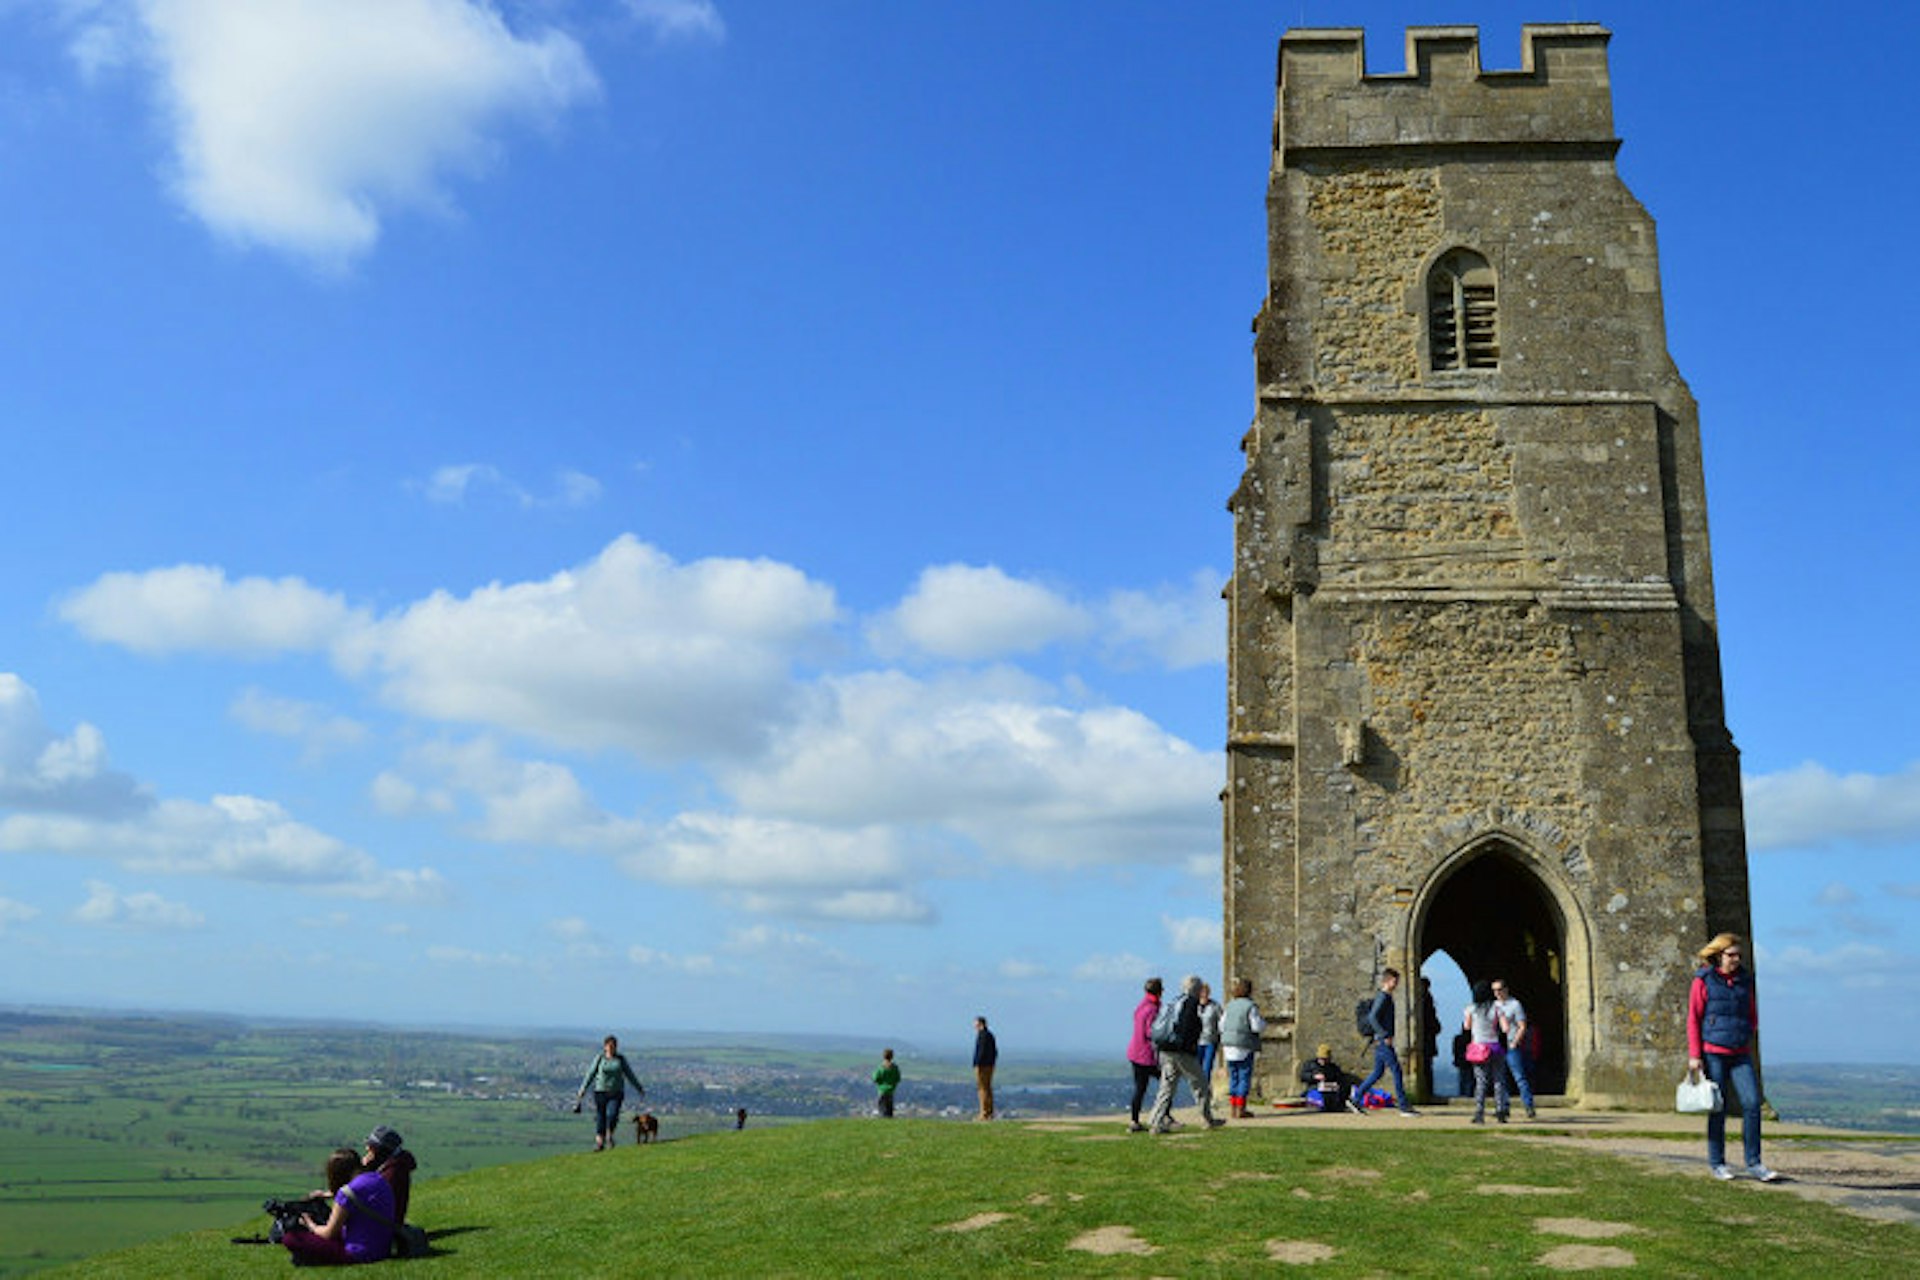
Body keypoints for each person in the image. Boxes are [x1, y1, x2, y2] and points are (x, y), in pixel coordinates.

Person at [1688, 932, 1779, 1182]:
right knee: (1718, 1108)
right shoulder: (1703, 980)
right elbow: (1694, 1019)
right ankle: (1717, 1163)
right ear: (1718, 956)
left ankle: (1754, 1162)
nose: (1736, 959)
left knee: (1751, 1104)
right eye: (1731, 955)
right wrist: (1695, 1055)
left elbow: (1751, 1012)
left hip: (1740, 1052)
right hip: (1713, 1051)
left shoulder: (1744, 981)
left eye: (1738, 955)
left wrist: (1749, 1032)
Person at [281, 1147, 396, 1265]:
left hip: (359, 1254)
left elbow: (329, 1233)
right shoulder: (377, 1178)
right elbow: (361, 1193)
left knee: (290, 1238)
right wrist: (327, 1194)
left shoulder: (346, 1193)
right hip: (383, 1249)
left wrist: (310, 1225)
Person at [1147, 975, 1223, 1133]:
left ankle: (1155, 1123)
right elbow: (1189, 1028)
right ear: (1196, 989)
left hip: (1166, 1049)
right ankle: (1207, 1119)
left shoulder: (1175, 1001)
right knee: (1201, 1084)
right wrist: (1191, 1044)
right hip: (1182, 1052)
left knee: (1166, 1087)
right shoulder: (1191, 1003)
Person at [1350, 967, 1418, 1116]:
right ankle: (1403, 1105)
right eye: (1395, 981)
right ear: (1387, 981)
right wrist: (1384, 1034)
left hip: (1380, 1041)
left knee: (1377, 1072)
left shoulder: (1386, 997)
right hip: (1382, 1042)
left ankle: (1355, 1099)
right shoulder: (1383, 997)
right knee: (1397, 1071)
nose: (1396, 984)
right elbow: (1373, 1017)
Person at [573, 1034, 646, 1151]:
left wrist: (639, 1088)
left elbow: (629, 1074)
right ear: (605, 1047)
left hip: (616, 1092)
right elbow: (590, 1074)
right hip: (600, 1091)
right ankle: (599, 1142)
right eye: (609, 1046)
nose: (611, 1048)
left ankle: (609, 1135)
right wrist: (583, 1089)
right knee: (601, 1116)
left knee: (612, 1115)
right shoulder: (600, 1058)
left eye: (613, 1046)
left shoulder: (620, 1059)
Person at [1463, 979, 1510, 1124]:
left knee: (1481, 1081)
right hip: (1495, 1047)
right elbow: (1505, 1028)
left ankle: (1479, 1112)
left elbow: (1467, 1027)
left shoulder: (1470, 1008)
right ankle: (1500, 1110)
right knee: (1499, 1080)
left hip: (1479, 1048)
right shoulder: (1497, 1007)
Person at [1491, 977, 1537, 1120]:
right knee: (1500, 1079)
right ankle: (1503, 1107)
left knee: (1519, 1077)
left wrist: (1515, 1041)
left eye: (1499, 989)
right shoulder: (1493, 1006)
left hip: (1511, 1045)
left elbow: (1522, 1026)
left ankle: (1529, 1105)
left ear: (1506, 989)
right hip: (1498, 1046)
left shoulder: (1515, 1005)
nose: (1497, 993)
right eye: (1494, 990)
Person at [1219, 978, 1266, 1119]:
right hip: (1244, 1043)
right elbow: (1256, 1026)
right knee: (1244, 1076)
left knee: (1233, 1076)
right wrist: (1264, 1023)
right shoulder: (1250, 1006)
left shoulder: (1229, 1005)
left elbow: (1221, 1025)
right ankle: (1241, 1108)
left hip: (1228, 1044)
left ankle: (1233, 1108)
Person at [1126, 977, 1163, 1132]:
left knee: (1140, 1089)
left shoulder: (1141, 1006)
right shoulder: (1152, 1008)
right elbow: (1150, 1031)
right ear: (1159, 991)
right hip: (1146, 1055)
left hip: (1134, 1052)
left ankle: (1134, 1120)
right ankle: (1162, 1116)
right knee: (1166, 1084)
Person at [1297, 1042, 1348, 1111]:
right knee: (1318, 1100)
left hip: (1329, 1091)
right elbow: (1302, 1076)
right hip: (1314, 1089)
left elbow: (1340, 1079)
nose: (1323, 1061)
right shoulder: (1310, 1064)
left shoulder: (1333, 1067)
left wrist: (1336, 1084)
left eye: (1325, 1059)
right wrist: (1314, 1077)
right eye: (1321, 1059)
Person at [1196, 982, 1223, 1086]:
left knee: (1207, 1068)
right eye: (1201, 992)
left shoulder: (1215, 1006)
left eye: (1205, 992)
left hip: (1211, 1041)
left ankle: (1205, 1092)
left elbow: (1221, 1022)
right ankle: (1198, 1092)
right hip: (1197, 1041)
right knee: (1197, 1069)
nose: (1203, 995)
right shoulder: (1194, 1006)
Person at [972, 1016, 998, 1120]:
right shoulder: (990, 1035)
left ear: (981, 1024)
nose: (975, 1026)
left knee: (982, 1089)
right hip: (990, 1065)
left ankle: (984, 1113)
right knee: (988, 1088)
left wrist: (978, 1063)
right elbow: (995, 1052)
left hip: (982, 1066)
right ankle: (989, 1112)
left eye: (976, 1024)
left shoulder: (982, 1035)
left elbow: (981, 1052)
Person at [873, 1048, 902, 1118]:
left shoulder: (880, 1068)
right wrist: (893, 1084)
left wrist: (880, 1083)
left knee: (882, 1109)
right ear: (892, 1056)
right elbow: (898, 1079)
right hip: (891, 1091)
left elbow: (875, 1078)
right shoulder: (895, 1068)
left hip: (882, 1090)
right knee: (889, 1109)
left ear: (883, 1056)